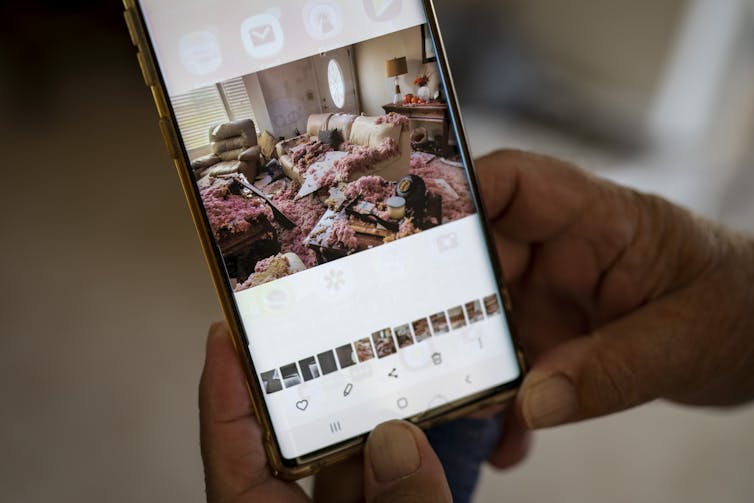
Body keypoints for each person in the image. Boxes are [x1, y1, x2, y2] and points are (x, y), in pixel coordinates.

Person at [199, 150, 754, 502]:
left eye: (398, 193)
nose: (390, 194)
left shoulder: (412, 209)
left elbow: (399, 217)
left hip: (463, 385)